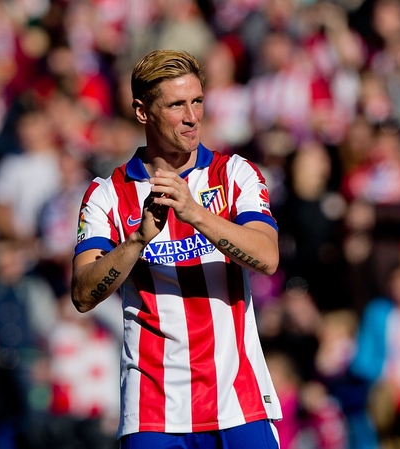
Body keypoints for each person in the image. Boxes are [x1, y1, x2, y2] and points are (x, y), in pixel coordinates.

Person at [70, 49, 282, 448]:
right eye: (176, 105)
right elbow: (83, 293)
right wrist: (136, 240)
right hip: (153, 410)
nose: (192, 116)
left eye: (198, 101)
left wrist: (195, 213)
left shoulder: (235, 174)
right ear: (142, 112)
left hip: (238, 402)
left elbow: (268, 258)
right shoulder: (106, 195)